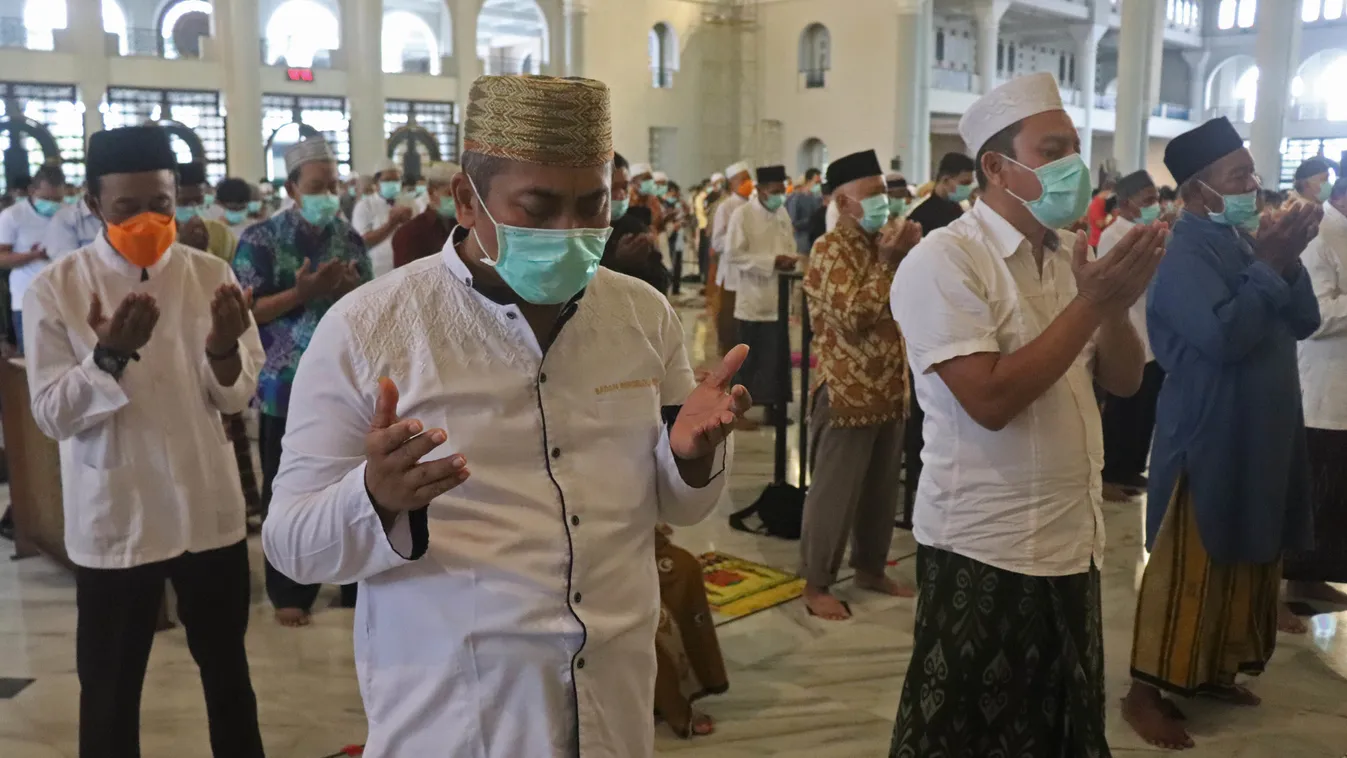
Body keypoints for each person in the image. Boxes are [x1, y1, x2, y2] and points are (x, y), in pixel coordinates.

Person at [262, 74, 750, 756]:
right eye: (538, 207)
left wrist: (690, 459)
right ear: (467, 200)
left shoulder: (642, 315)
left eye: (592, 206)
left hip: (613, 702)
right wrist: (373, 498)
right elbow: (291, 544)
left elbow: (679, 506)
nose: (571, 232)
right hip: (458, 716)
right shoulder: (370, 328)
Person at [890, 72, 1164, 757]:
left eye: (1074, 148)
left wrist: (1114, 305)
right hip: (985, 544)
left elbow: (1126, 380)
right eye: (1052, 150)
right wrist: (1092, 304)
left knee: (1057, 730)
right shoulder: (945, 261)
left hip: (1072, 537)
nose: (1073, 165)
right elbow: (988, 401)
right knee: (966, 735)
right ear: (995, 166)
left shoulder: (1070, 255)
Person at [23, 124, 266, 758]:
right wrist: (108, 356)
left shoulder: (209, 273)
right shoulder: (58, 288)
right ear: (93, 204)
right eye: (127, 208)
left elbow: (234, 397)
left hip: (205, 508)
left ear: (177, 194)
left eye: (160, 203)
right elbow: (51, 415)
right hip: (119, 514)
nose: (148, 221)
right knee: (110, 688)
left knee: (229, 675)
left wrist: (222, 349)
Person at [1122, 117, 1323, 750]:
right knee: (1191, 565)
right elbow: (1223, 338)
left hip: (1262, 430)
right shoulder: (1183, 251)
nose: (1252, 185)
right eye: (1238, 177)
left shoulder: (1242, 238)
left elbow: (1306, 320)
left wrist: (1287, 260)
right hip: (1209, 433)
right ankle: (1143, 693)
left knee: (1247, 559)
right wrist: (1271, 263)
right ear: (1197, 192)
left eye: (1252, 173)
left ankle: (1213, 671)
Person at [232, 137, 370, 627]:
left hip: (346, 381)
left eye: (333, 185)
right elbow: (245, 312)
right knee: (288, 486)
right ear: (292, 189)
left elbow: (370, 302)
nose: (328, 195)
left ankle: (354, 582)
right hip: (284, 383)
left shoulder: (349, 239)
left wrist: (351, 289)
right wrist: (302, 292)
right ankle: (290, 589)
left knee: (353, 483)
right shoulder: (261, 239)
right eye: (316, 186)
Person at [799, 150, 921, 621]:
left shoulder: (881, 244)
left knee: (880, 492)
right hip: (846, 391)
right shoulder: (829, 250)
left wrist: (902, 257)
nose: (883, 203)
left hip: (890, 385)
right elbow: (854, 316)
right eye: (872, 195)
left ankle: (870, 568)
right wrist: (890, 262)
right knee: (834, 494)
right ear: (843, 203)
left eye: (884, 193)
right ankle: (817, 583)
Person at [1289, 175, 1347, 607]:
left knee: (1336, 498)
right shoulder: (1319, 238)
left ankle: (1315, 578)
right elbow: (1316, 316)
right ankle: (1293, 583)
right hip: (1323, 389)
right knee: (1315, 494)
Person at [1098, 170, 1166, 501]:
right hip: (1130, 327)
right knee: (1124, 409)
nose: (1156, 206)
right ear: (1125, 204)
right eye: (1148, 200)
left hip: (1152, 333)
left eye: (1156, 199)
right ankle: (1112, 471)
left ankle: (1133, 467)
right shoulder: (1114, 236)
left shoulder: (1147, 231)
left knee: (1145, 408)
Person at [726, 165, 796, 424]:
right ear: (761, 190)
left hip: (779, 296)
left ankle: (774, 409)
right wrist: (771, 262)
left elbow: (789, 244)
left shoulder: (782, 213)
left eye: (782, 190)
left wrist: (789, 259)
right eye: (775, 191)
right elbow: (734, 254)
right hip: (753, 299)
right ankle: (737, 412)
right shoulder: (742, 215)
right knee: (749, 360)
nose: (779, 196)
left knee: (776, 359)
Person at [0, 163, 65, 352]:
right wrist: (34, 255)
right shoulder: (13, 216)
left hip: (64, 300)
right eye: (46, 199)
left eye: (57, 199)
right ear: (32, 191)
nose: (52, 204)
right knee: (32, 358)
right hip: (27, 300)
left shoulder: (67, 213)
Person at [711, 161, 753, 359]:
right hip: (731, 273)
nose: (747, 183)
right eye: (742, 179)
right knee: (729, 321)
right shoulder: (726, 207)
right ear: (732, 183)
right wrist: (738, 238)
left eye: (748, 178)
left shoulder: (754, 205)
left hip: (752, 272)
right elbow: (717, 242)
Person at [352, 159, 414, 277]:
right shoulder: (365, 205)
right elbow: (362, 241)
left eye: (396, 180)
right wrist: (392, 223)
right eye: (387, 180)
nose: (393, 184)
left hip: (406, 269)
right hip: (377, 271)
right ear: (376, 183)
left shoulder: (410, 203)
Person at [392, 162, 461, 269]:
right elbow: (406, 277)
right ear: (431, 192)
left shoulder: (462, 229)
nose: (456, 200)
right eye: (450, 194)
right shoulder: (409, 233)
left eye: (460, 195)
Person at [175, 162, 238, 264]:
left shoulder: (220, 233)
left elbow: (231, 270)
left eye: (198, 201)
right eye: (185, 202)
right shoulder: (160, 236)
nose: (193, 206)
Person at [906, 152, 975, 235]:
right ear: (945, 180)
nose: (968, 188)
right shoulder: (920, 216)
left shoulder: (957, 209)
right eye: (964, 183)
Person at [786, 167, 823, 253]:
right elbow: (793, 222)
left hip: (814, 239)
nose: (818, 185)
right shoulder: (796, 198)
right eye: (816, 182)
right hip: (802, 241)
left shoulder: (816, 198)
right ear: (808, 181)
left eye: (820, 182)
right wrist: (812, 219)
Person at [1086, 172, 1118, 246]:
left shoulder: (1104, 203)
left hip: (1105, 241)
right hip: (1097, 243)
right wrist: (1112, 216)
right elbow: (1100, 224)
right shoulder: (1097, 204)